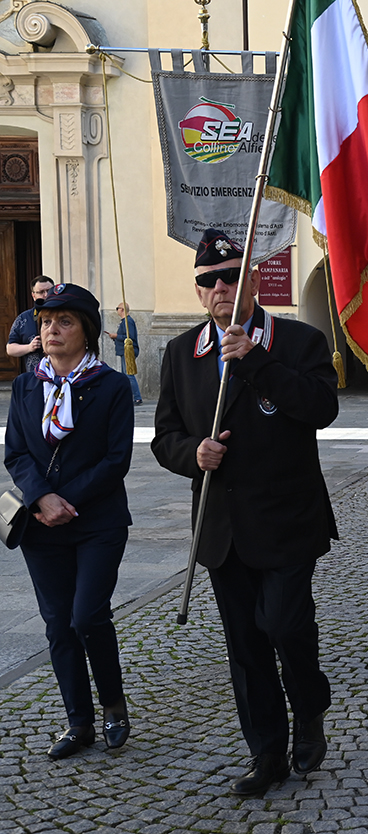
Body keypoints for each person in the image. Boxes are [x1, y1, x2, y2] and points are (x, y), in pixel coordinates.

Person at [152, 229, 337, 796]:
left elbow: (320, 408)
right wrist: (192, 453)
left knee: (284, 627)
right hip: (222, 528)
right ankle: (266, 754)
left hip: (286, 521)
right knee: (246, 647)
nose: (221, 289)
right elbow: (165, 436)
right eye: (209, 281)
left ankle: (310, 706)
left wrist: (257, 362)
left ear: (255, 279)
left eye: (232, 276)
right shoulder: (183, 353)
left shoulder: (298, 341)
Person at [5, 283, 134, 760]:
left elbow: (116, 459)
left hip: (97, 521)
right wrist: (42, 499)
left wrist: (66, 499)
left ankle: (114, 705)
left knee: (87, 616)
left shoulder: (112, 386)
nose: (51, 330)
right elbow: (15, 453)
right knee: (59, 625)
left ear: (88, 332)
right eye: (45, 323)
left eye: (64, 322)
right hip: (41, 523)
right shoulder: (25, 385)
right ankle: (78, 722)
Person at [7, 274, 55, 374]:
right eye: (41, 292)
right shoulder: (23, 318)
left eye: (49, 291)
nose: (46, 295)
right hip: (35, 378)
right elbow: (10, 348)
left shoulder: (65, 316)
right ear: (33, 296)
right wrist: (29, 347)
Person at [109, 301, 142, 404]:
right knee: (126, 375)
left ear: (122, 310)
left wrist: (116, 336)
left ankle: (137, 397)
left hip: (128, 351)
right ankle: (130, 396)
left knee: (129, 374)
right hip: (124, 351)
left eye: (117, 308)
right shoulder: (124, 321)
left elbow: (130, 337)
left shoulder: (128, 321)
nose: (117, 310)